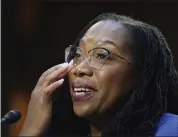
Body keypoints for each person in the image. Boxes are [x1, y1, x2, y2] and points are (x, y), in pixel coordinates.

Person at [19, 13, 178, 137]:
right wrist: (30, 131)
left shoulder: (171, 130)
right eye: (77, 54)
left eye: (102, 55)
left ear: (142, 73)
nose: (79, 68)